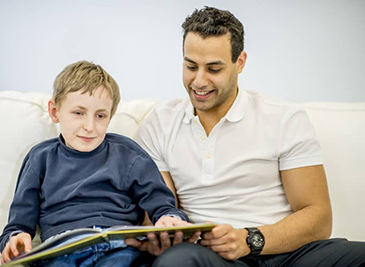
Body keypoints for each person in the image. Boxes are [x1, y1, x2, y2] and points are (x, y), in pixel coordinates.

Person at [128, 6, 365, 266]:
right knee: (178, 261)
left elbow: (319, 218)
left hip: (288, 254)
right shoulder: (158, 125)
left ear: (239, 62)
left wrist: (248, 240)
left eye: (214, 69)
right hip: (210, 256)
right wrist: (160, 235)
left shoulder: (284, 118)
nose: (198, 81)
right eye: (191, 66)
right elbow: (159, 210)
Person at [0, 60, 190, 267]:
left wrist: (170, 218)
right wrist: (16, 238)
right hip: (62, 250)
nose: (90, 126)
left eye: (100, 116)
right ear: (55, 111)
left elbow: (162, 204)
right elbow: (18, 224)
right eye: (78, 113)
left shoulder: (128, 153)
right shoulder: (40, 158)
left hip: (120, 246)